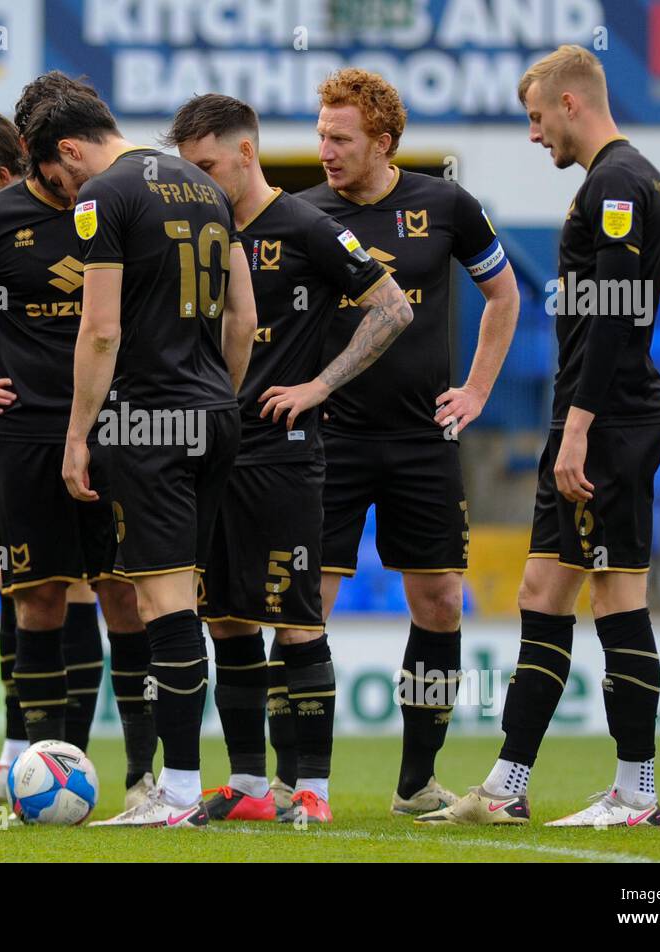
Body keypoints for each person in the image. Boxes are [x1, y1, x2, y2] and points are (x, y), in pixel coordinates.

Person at [418, 45, 660, 828]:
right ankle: (508, 785)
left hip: (611, 422)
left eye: (536, 118)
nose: (534, 136)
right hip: (589, 418)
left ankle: (637, 793)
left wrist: (580, 431)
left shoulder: (619, 183)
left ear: (571, 103)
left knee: (617, 594)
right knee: (541, 593)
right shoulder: (612, 182)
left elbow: (616, 320)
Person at [167, 93, 412, 824]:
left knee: (296, 619)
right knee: (226, 621)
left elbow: (394, 307)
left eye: (209, 166)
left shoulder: (308, 225)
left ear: (247, 152)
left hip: (283, 454)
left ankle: (313, 788)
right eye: (191, 170)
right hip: (211, 452)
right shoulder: (199, 232)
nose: (201, 182)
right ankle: (248, 785)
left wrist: (319, 384)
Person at [25, 76, 258, 827]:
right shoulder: (205, 184)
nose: (63, 196)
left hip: (148, 419)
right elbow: (242, 319)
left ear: (67, 149)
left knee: (163, 603)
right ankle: (200, 783)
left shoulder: (104, 197)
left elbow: (99, 330)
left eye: (57, 181)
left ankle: (180, 792)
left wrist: (77, 434)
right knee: (187, 597)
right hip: (216, 415)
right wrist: (216, 397)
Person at [296, 68, 520, 816]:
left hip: (423, 442)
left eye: (339, 138)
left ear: (383, 142)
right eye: (321, 134)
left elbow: (503, 292)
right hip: (328, 440)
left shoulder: (446, 204)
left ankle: (416, 784)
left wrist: (480, 389)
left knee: (440, 604)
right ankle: (305, 785)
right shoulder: (302, 214)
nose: (324, 149)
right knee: (304, 611)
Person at [0, 91, 155, 811]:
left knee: (124, 596)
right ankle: (38, 777)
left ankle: (145, 779)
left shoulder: (125, 203)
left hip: (121, 428)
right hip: (28, 435)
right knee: (39, 603)